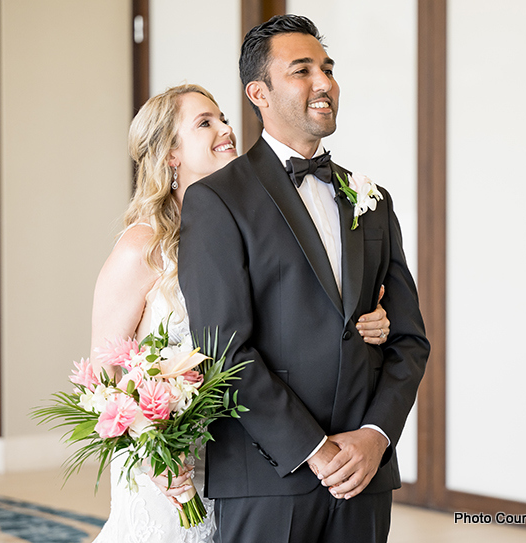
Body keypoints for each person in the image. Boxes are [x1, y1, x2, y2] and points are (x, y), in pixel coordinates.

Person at [89, 83, 392, 543]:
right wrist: (154, 454)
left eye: (224, 118)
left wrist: (374, 316)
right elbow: (103, 375)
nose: (227, 129)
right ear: (170, 154)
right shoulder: (142, 248)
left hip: (247, 453)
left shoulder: (251, 227)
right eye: (204, 123)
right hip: (172, 469)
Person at [178, 15, 429, 543]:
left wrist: (376, 436)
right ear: (259, 92)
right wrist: (314, 449)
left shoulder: (371, 199)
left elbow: (409, 340)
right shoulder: (218, 201)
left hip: (363, 477)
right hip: (268, 476)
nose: (324, 83)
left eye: (328, 68)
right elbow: (224, 350)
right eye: (302, 70)